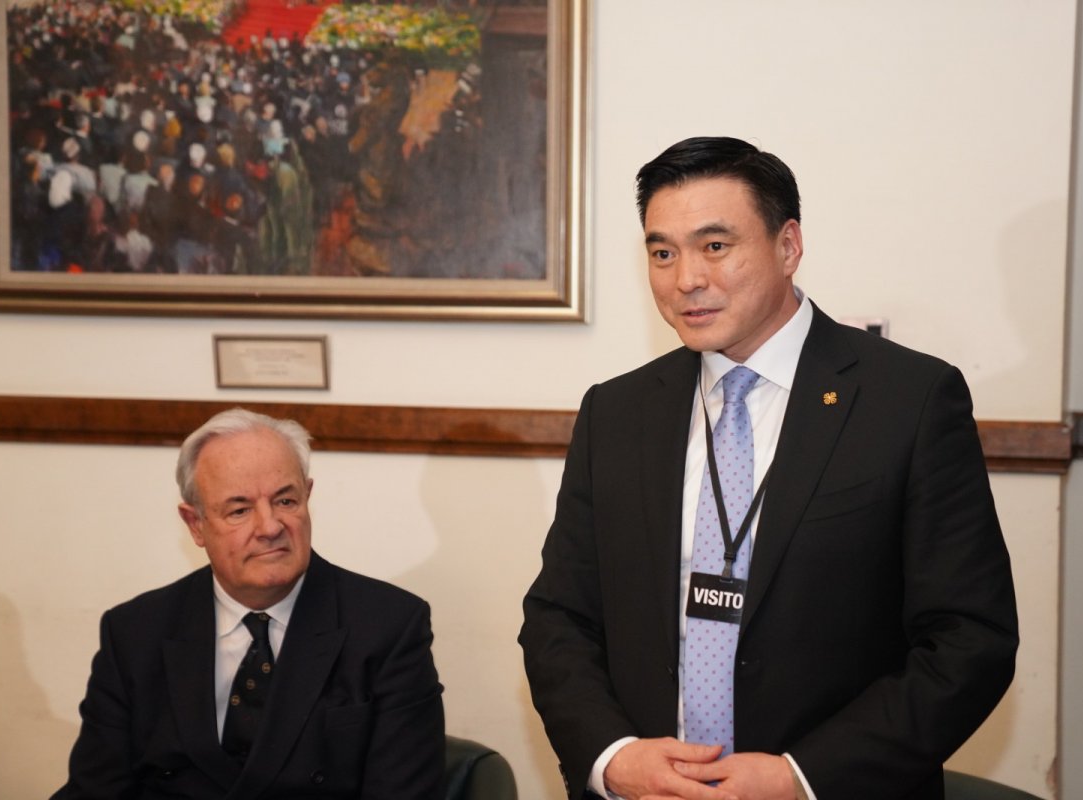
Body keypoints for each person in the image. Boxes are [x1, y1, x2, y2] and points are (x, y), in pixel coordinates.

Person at [519, 136, 1019, 800]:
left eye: (714, 246)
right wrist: (613, 758)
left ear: (788, 246)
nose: (686, 279)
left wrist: (802, 777)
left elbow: (969, 640)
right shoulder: (617, 411)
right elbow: (559, 617)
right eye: (663, 253)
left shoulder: (909, 401)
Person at [54, 408, 445, 798]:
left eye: (285, 501)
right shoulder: (135, 633)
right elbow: (94, 791)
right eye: (239, 510)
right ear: (195, 524)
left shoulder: (388, 627)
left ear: (307, 497)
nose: (270, 527)